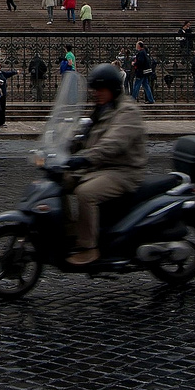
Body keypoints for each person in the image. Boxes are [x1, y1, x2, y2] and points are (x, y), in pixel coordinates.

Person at [59, 64, 149, 266]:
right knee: (59, 180)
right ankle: (69, 230)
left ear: (113, 89)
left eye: (101, 90)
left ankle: (88, 246)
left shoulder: (128, 111)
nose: (96, 94)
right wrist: (63, 146)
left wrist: (85, 158)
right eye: (94, 90)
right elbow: (85, 135)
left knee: (85, 193)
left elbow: (112, 144)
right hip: (101, 167)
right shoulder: (102, 109)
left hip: (123, 171)